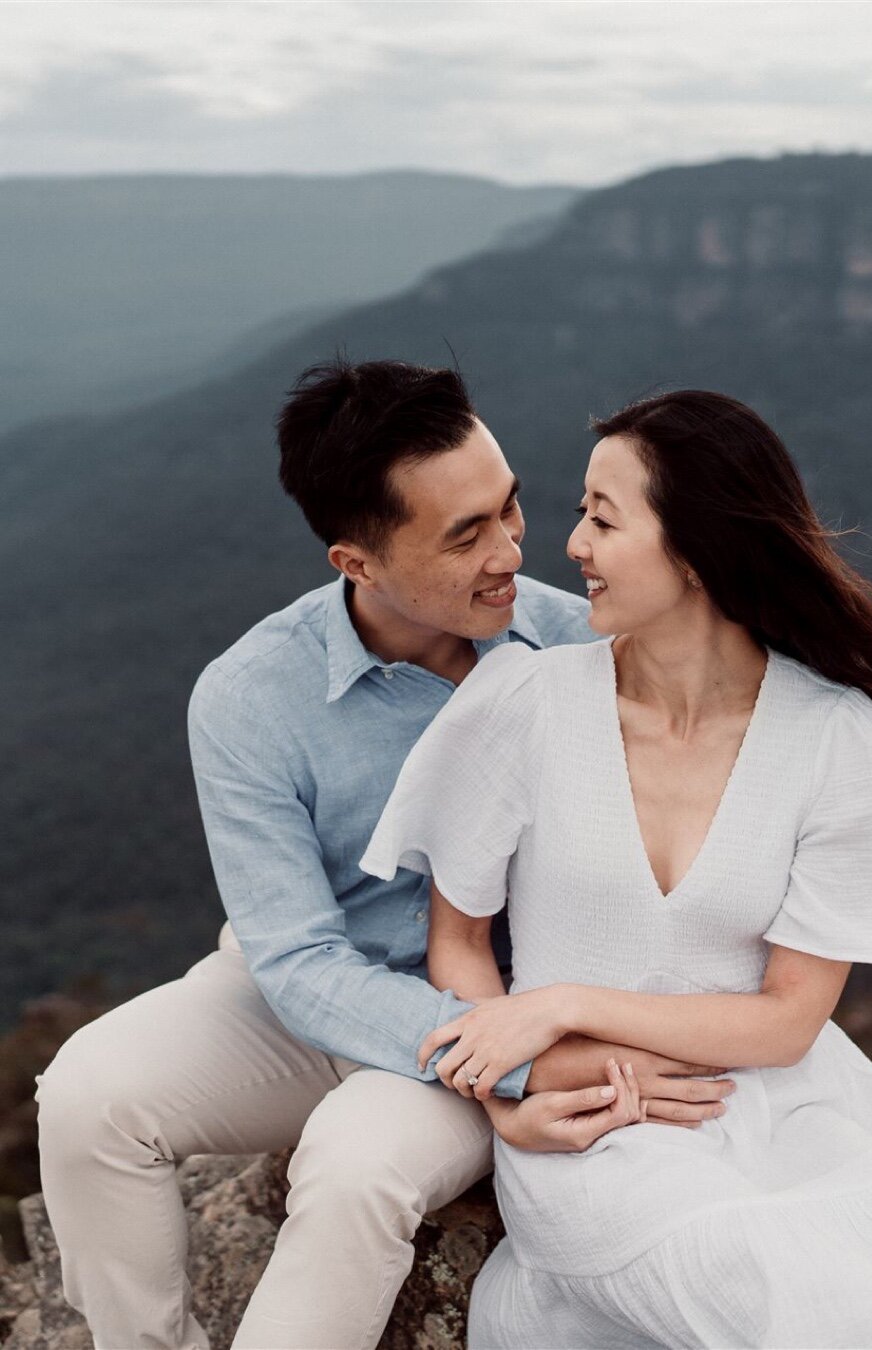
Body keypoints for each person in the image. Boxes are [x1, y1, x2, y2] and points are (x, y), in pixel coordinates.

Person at [34, 360, 737, 1350]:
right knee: (83, 1097)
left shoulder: (587, 650)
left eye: (509, 509)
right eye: (464, 535)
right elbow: (295, 965)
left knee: (356, 1166)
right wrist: (524, 1073)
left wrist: (531, 1049)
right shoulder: (248, 697)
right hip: (313, 998)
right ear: (354, 563)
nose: (511, 552)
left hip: (505, 1007)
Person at [361, 390, 872, 1349]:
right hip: (604, 1119)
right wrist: (521, 1084)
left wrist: (562, 1001)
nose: (571, 546)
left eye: (603, 517)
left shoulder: (834, 734)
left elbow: (789, 1019)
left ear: (696, 547)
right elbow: (459, 943)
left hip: (790, 1113)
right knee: (768, 1283)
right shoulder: (524, 703)